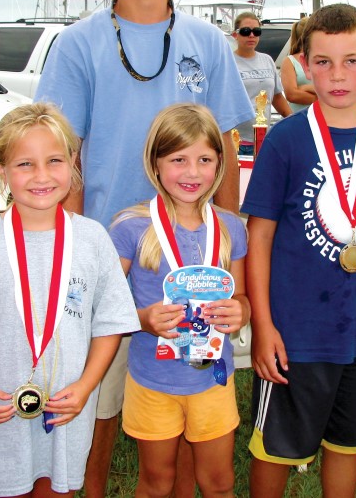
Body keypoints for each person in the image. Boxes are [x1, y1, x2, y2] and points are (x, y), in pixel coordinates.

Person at [34, 0, 253, 497]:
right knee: (94, 406)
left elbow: (229, 143)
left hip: (189, 261)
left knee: (188, 399)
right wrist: (69, 253)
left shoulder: (208, 43)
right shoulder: (78, 44)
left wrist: (223, 243)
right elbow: (62, 153)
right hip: (108, 252)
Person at [244, 4, 356, 498]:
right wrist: (263, 324)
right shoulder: (285, 138)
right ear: (302, 63)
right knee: (277, 446)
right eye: (322, 62)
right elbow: (260, 234)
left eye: (351, 60)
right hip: (295, 329)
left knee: (348, 442)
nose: (337, 75)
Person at [0, 102, 139, 497]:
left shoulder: (93, 239)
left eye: (54, 160)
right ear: (0, 168)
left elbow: (110, 324)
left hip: (65, 409)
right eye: (25, 164)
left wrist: (86, 387)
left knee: (55, 488)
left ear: (73, 161)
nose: (42, 176)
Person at [109, 103, 249, 498]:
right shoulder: (130, 226)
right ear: (155, 163)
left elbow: (240, 298)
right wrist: (143, 318)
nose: (192, 172)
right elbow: (106, 307)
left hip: (212, 381)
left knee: (219, 483)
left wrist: (241, 310)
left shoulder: (230, 229)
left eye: (204, 159)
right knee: (157, 483)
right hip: (152, 381)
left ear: (219, 163)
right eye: (178, 159)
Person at [232, 12, 292, 153]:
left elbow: (277, 96)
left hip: (263, 139)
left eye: (256, 31)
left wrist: (294, 120)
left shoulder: (267, 60)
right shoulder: (228, 62)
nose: (251, 35)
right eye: (246, 31)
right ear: (235, 35)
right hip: (236, 140)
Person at [279, 17, 315, 113]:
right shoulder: (289, 61)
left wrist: (305, 88)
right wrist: (322, 99)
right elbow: (292, 95)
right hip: (300, 116)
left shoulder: (324, 59)